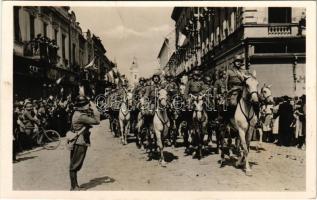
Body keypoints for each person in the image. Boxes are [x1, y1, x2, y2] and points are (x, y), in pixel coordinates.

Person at [69, 96, 100, 191]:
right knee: (74, 165)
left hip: (77, 141)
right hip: (80, 142)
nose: (88, 106)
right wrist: (95, 109)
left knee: (74, 164)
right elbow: (97, 121)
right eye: (87, 104)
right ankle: (74, 187)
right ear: (82, 106)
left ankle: (75, 186)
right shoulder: (81, 116)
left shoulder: (77, 113)